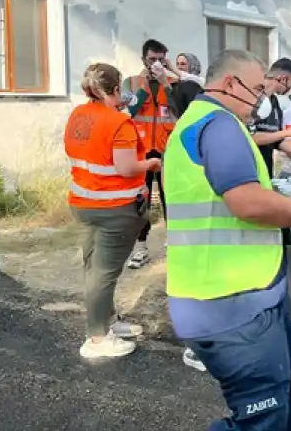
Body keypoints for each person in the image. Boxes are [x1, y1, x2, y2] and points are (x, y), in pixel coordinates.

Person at [162, 49, 291, 429]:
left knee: (288, 392)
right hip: (228, 304)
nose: (261, 101)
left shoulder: (209, 124)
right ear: (231, 84)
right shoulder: (218, 125)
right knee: (262, 417)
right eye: (256, 90)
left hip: (249, 294)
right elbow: (247, 202)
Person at [64, 63, 162, 359]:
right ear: (116, 89)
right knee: (103, 274)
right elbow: (127, 167)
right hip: (114, 207)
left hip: (84, 204)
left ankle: (107, 322)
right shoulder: (118, 123)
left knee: (94, 267)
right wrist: (152, 164)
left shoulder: (79, 115)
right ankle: (97, 338)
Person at [122, 39, 177, 269]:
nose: (156, 63)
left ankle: (174, 244)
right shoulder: (132, 82)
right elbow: (131, 109)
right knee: (141, 199)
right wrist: (146, 84)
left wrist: (166, 82)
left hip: (168, 148)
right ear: (143, 58)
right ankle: (141, 247)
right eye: (152, 59)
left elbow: (178, 107)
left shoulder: (173, 82)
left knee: (171, 197)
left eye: (160, 59)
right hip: (141, 149)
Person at [251, 57, 291, 177]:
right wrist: (288, 132)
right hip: (249, 170)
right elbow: (250, 138)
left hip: (266, 172)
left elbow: (277, 141)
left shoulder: (274, 103)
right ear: (283, 79)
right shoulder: (253, 99)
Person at [171, 52, 205, 117]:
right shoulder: (175, 84)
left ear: (192, 65)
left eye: (183, 64)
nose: (179, 67)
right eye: (177, 64)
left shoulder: (198, 83)